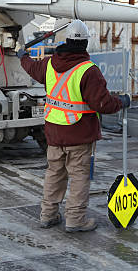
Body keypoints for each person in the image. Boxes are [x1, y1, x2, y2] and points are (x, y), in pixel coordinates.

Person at [17, 19, 130, 233]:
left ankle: (47, 215)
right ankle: (75, 220)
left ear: (66, 40)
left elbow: (31, 67)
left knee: (54, 174)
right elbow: (103, 103)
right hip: (78, 134)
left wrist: (22, 56)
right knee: (78, 177)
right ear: (85, 44)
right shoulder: (88, 71)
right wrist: (123, 102)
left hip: (54, 133)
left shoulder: (50, 64)